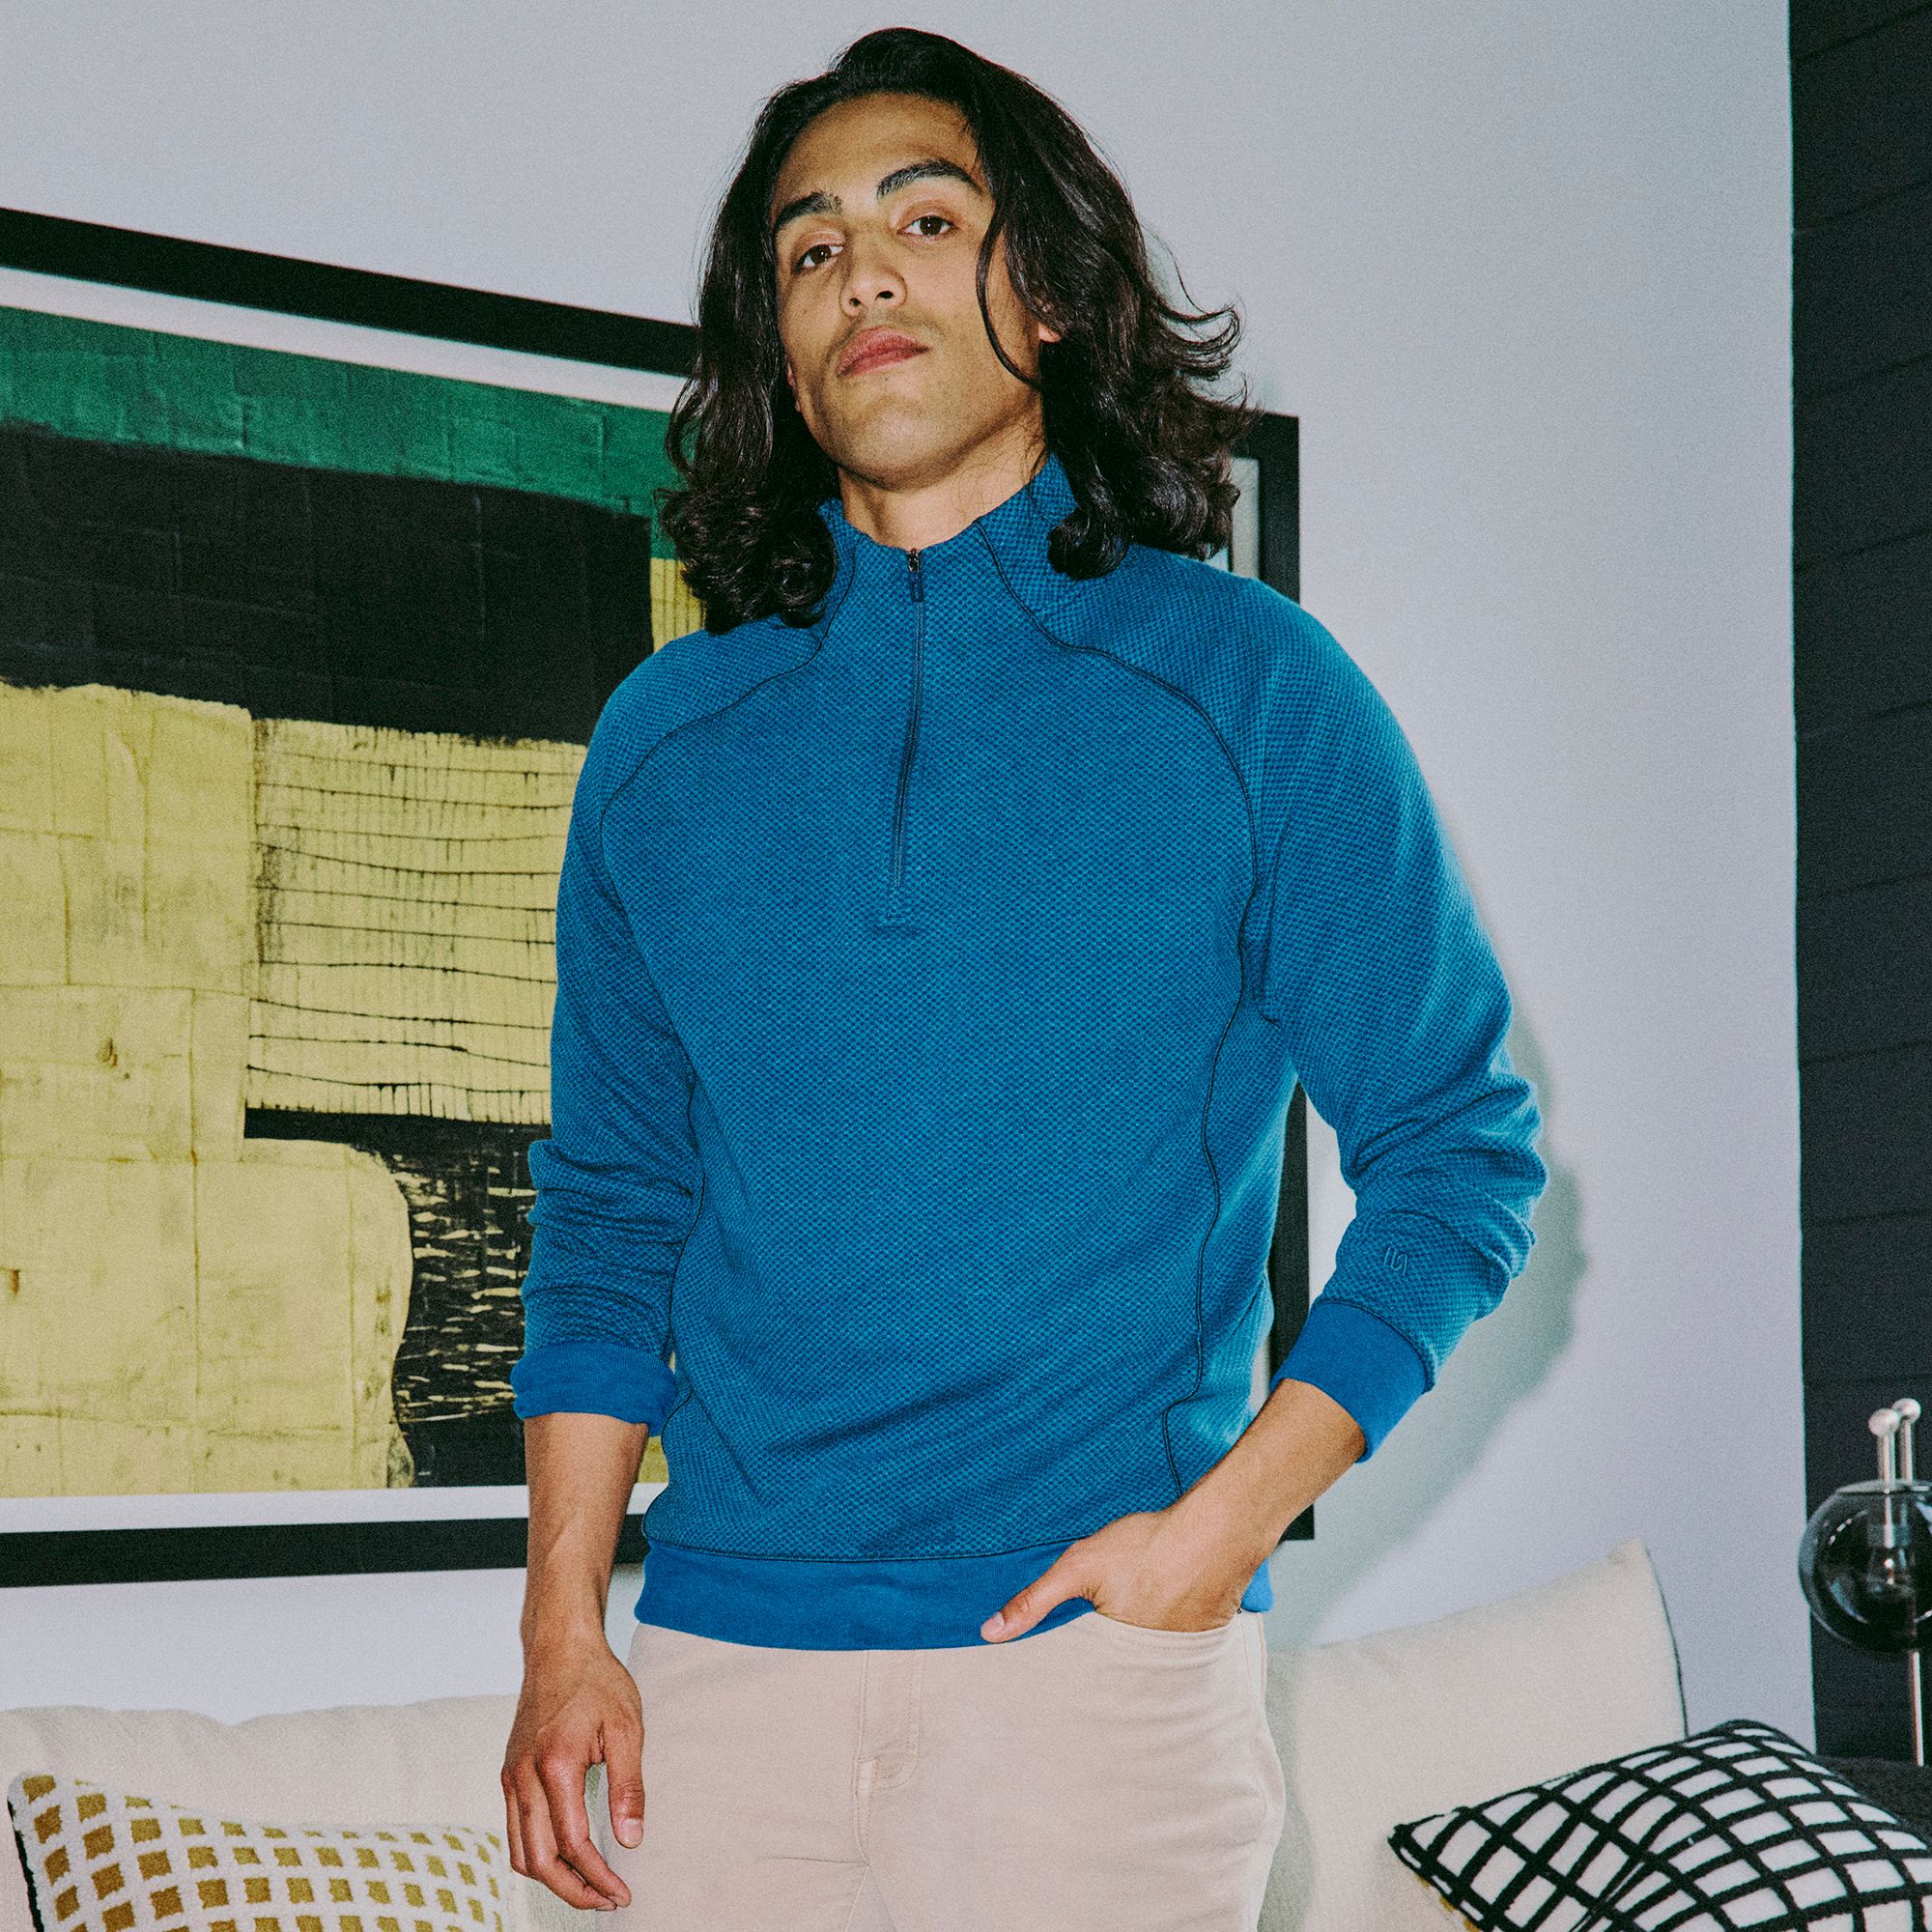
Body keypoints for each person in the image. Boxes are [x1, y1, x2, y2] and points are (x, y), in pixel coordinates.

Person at [499, 25, 1548, 1932]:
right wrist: (563, 1630)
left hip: (1094, 1691)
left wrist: (1216, 1538)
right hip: (717, 1686)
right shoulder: (663, 742)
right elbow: (609, 1212)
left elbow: (1461, 1156)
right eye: (810, 249)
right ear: (777, 351)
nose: (862, 276)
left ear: (1049, 293)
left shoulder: (1248, 689)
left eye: (925, 219)